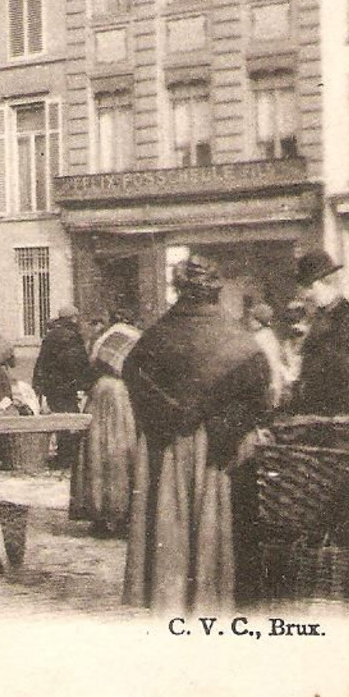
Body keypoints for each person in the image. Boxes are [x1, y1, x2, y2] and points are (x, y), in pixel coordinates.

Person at [122, 256, 271, 613]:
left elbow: (133, 374)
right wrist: (225, 425)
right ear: (215, 290)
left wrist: (169, 416)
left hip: (168, 446)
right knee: (214, 522)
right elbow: (258, 387)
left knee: (167, 518)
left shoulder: (156, 334)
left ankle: (167, 599)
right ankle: (212, 601)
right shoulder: (239, 337)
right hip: (216, 448)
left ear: (179, 291)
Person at [70, 313, 143, 535]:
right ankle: (121, 514)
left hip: (99, 392)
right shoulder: (135, 337)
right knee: (121, 451)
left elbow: (91, 366)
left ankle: (99, 516)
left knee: (96, 451)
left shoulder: (104, 337)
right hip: (122, 395)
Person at [288, 249, 349, 417]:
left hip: (344, 422)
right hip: (323, 417)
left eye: (307, 290)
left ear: (317, 283)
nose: (305, 297)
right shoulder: (322, 320)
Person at [32, 304, 93, 470]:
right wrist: (85, 382)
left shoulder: (50, 335)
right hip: (67, 384)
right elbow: (77, 362)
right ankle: (69, 458)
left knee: (59, 418)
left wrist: (38, 383)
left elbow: (41, 361)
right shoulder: (73, 336)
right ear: (73, 318)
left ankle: (63, 455)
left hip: (52, 385)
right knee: (71, 419)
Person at [247, 302, 290, 410]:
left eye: (252, 318)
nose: (249, 321)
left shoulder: (259, 338)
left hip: (267, 384)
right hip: (274, 382)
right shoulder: (269, 334)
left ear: (258, 321)